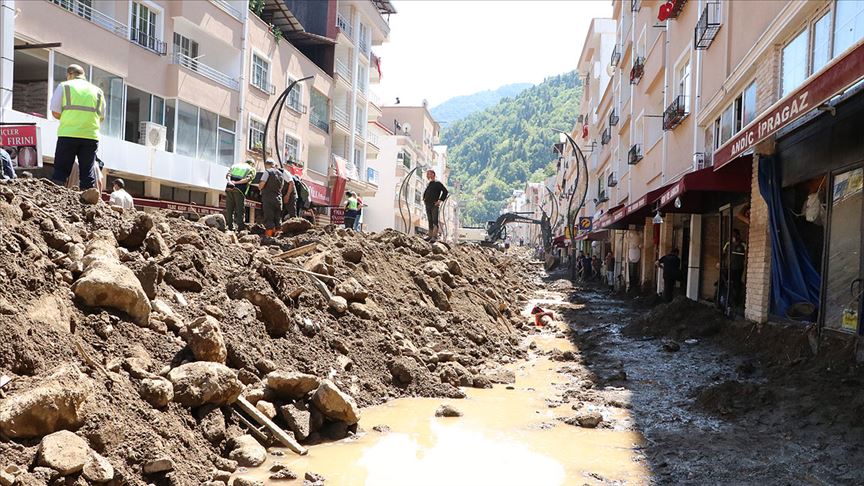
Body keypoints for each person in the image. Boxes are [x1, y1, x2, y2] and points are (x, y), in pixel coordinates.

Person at [50, 64, 104, 190]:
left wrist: (68, 118)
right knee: (87, 172)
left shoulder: (64, 86)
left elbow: (55, 112)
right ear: (83, 75)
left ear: (69, 75)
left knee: (61, 171)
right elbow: (101, 117)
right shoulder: (98, 91)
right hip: (90, 136)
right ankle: (88, 200)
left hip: (68, 134)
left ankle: (57, 196)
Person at [224, 159, 255, 232]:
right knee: (240, 209)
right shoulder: (251, 169)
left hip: (229, 188)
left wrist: (230, 182)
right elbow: (248, 179)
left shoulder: (235, 165)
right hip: (239, 190)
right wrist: (236, 183)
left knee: (229, 209)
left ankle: (230, 227)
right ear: (252, 164)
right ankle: (240, 228)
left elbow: (228, 175)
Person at [258, 159, 284, 237]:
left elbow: (262, 184)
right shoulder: (281, 174)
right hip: (278, 199)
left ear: (266, 165)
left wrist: (260, 188)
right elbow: (281, 187)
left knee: (269, 217)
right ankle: (278, 237)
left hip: (268, 198)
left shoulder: (267, 172)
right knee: (277, 218)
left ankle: (269, 237)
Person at [422, 169, 448, 242]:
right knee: (430, 220)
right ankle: (429, 235)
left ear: (433, 174)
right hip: (427, 204)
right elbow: (426, 192)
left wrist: (439, 201)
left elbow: (445, 191)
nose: (427, 175)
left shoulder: (438, 183)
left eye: (428, 174)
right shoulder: (429, 184)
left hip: (434, 204)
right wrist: (424, 199)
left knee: (434, 220)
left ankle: (434, 236)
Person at [723, 229, 748, 307]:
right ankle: (726, 299)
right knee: (726, 282)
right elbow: (723, 253)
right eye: (731, 235)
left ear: (738, 236)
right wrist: (720, 262)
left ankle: (735, 302)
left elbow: (748, 254)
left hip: (738, 268)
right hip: (729, 267)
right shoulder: (728, 244)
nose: (732, 237)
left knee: (737, 285)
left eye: (734, 235)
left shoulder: (743, 244)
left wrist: (746, 263)